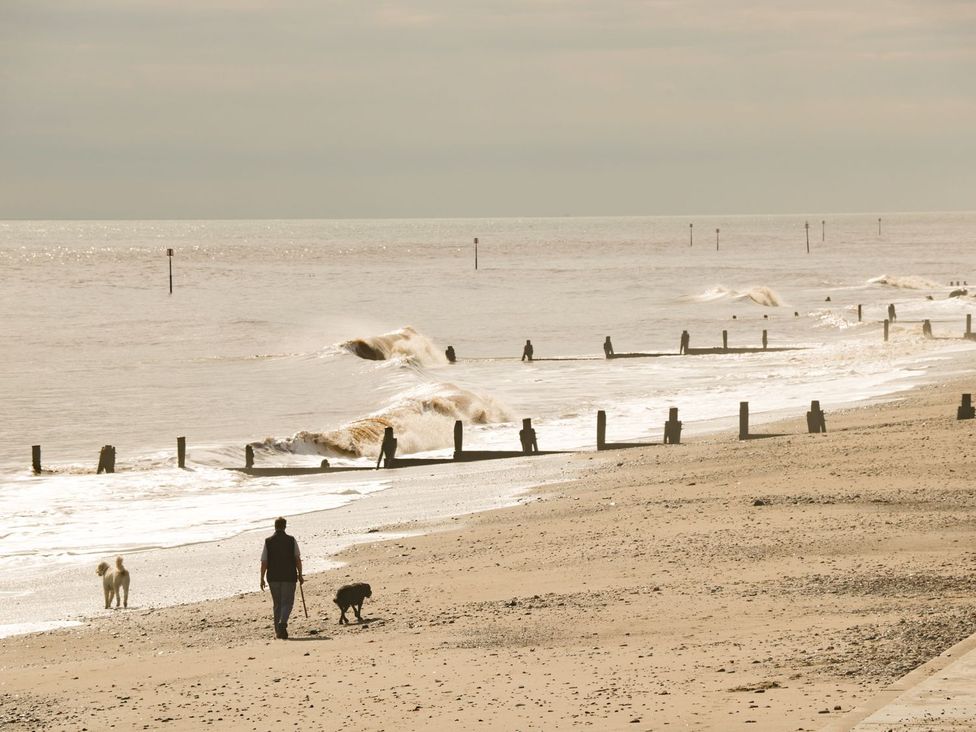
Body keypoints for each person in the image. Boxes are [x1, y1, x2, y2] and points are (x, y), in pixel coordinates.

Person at [260, 517, 303, 639]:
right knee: (287, 602)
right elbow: (297, 559)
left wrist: (261, 578)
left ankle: (278, 632)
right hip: (289, 576)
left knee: (277, 604)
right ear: (285, 526)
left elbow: (264, 562)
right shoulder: (291, 540)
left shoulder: (268, 541)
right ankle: (282, 623)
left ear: (275, 526)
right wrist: (300, 574)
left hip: (273, 577)